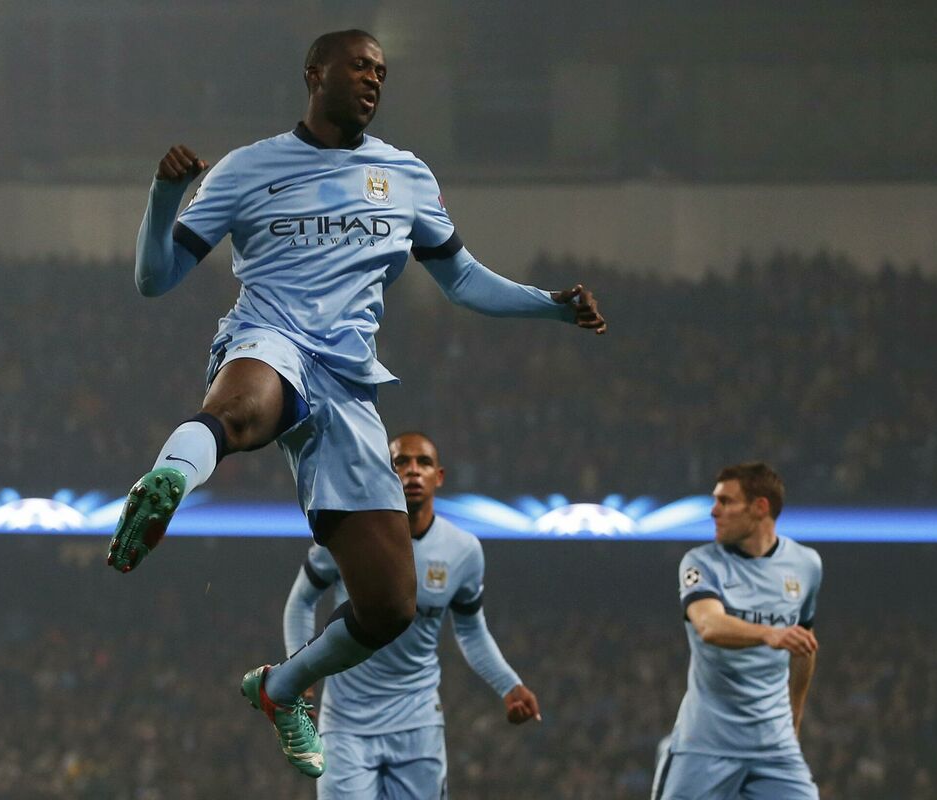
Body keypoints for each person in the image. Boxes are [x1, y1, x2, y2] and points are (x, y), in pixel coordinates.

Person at [104, 29, 605, 779]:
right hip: (270, 337)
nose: (373, 79)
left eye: (381, 71)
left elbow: (463, 279)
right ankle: (168, 479)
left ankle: (279, 688)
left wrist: (550, 306)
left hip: (349, 383)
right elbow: (155, 279)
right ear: (315, 74)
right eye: (359, 66)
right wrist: (163, 196)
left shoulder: (405, 175)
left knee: (391, 606)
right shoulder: (248, 167)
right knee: (239, 412)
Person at [284, 431, 540, 798]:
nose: (413, 471)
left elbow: (470, 629)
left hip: (418, 724)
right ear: (384, 472)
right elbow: (301, 601)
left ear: (439, 476)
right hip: (346, 724)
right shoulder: (348, 535)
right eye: (401, 462)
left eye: (424, 463)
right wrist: (299, 673)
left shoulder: (463, 550)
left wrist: (508, 684)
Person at [653, 462, 822, 800]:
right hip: (705, 746)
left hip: (774, 748)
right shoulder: (701, 562)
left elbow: (805, 645)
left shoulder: (806, 564)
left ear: (760, 507)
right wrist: (769, 633)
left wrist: (795, 718)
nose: (713, 511)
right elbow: (708, 625)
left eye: (726, 501)